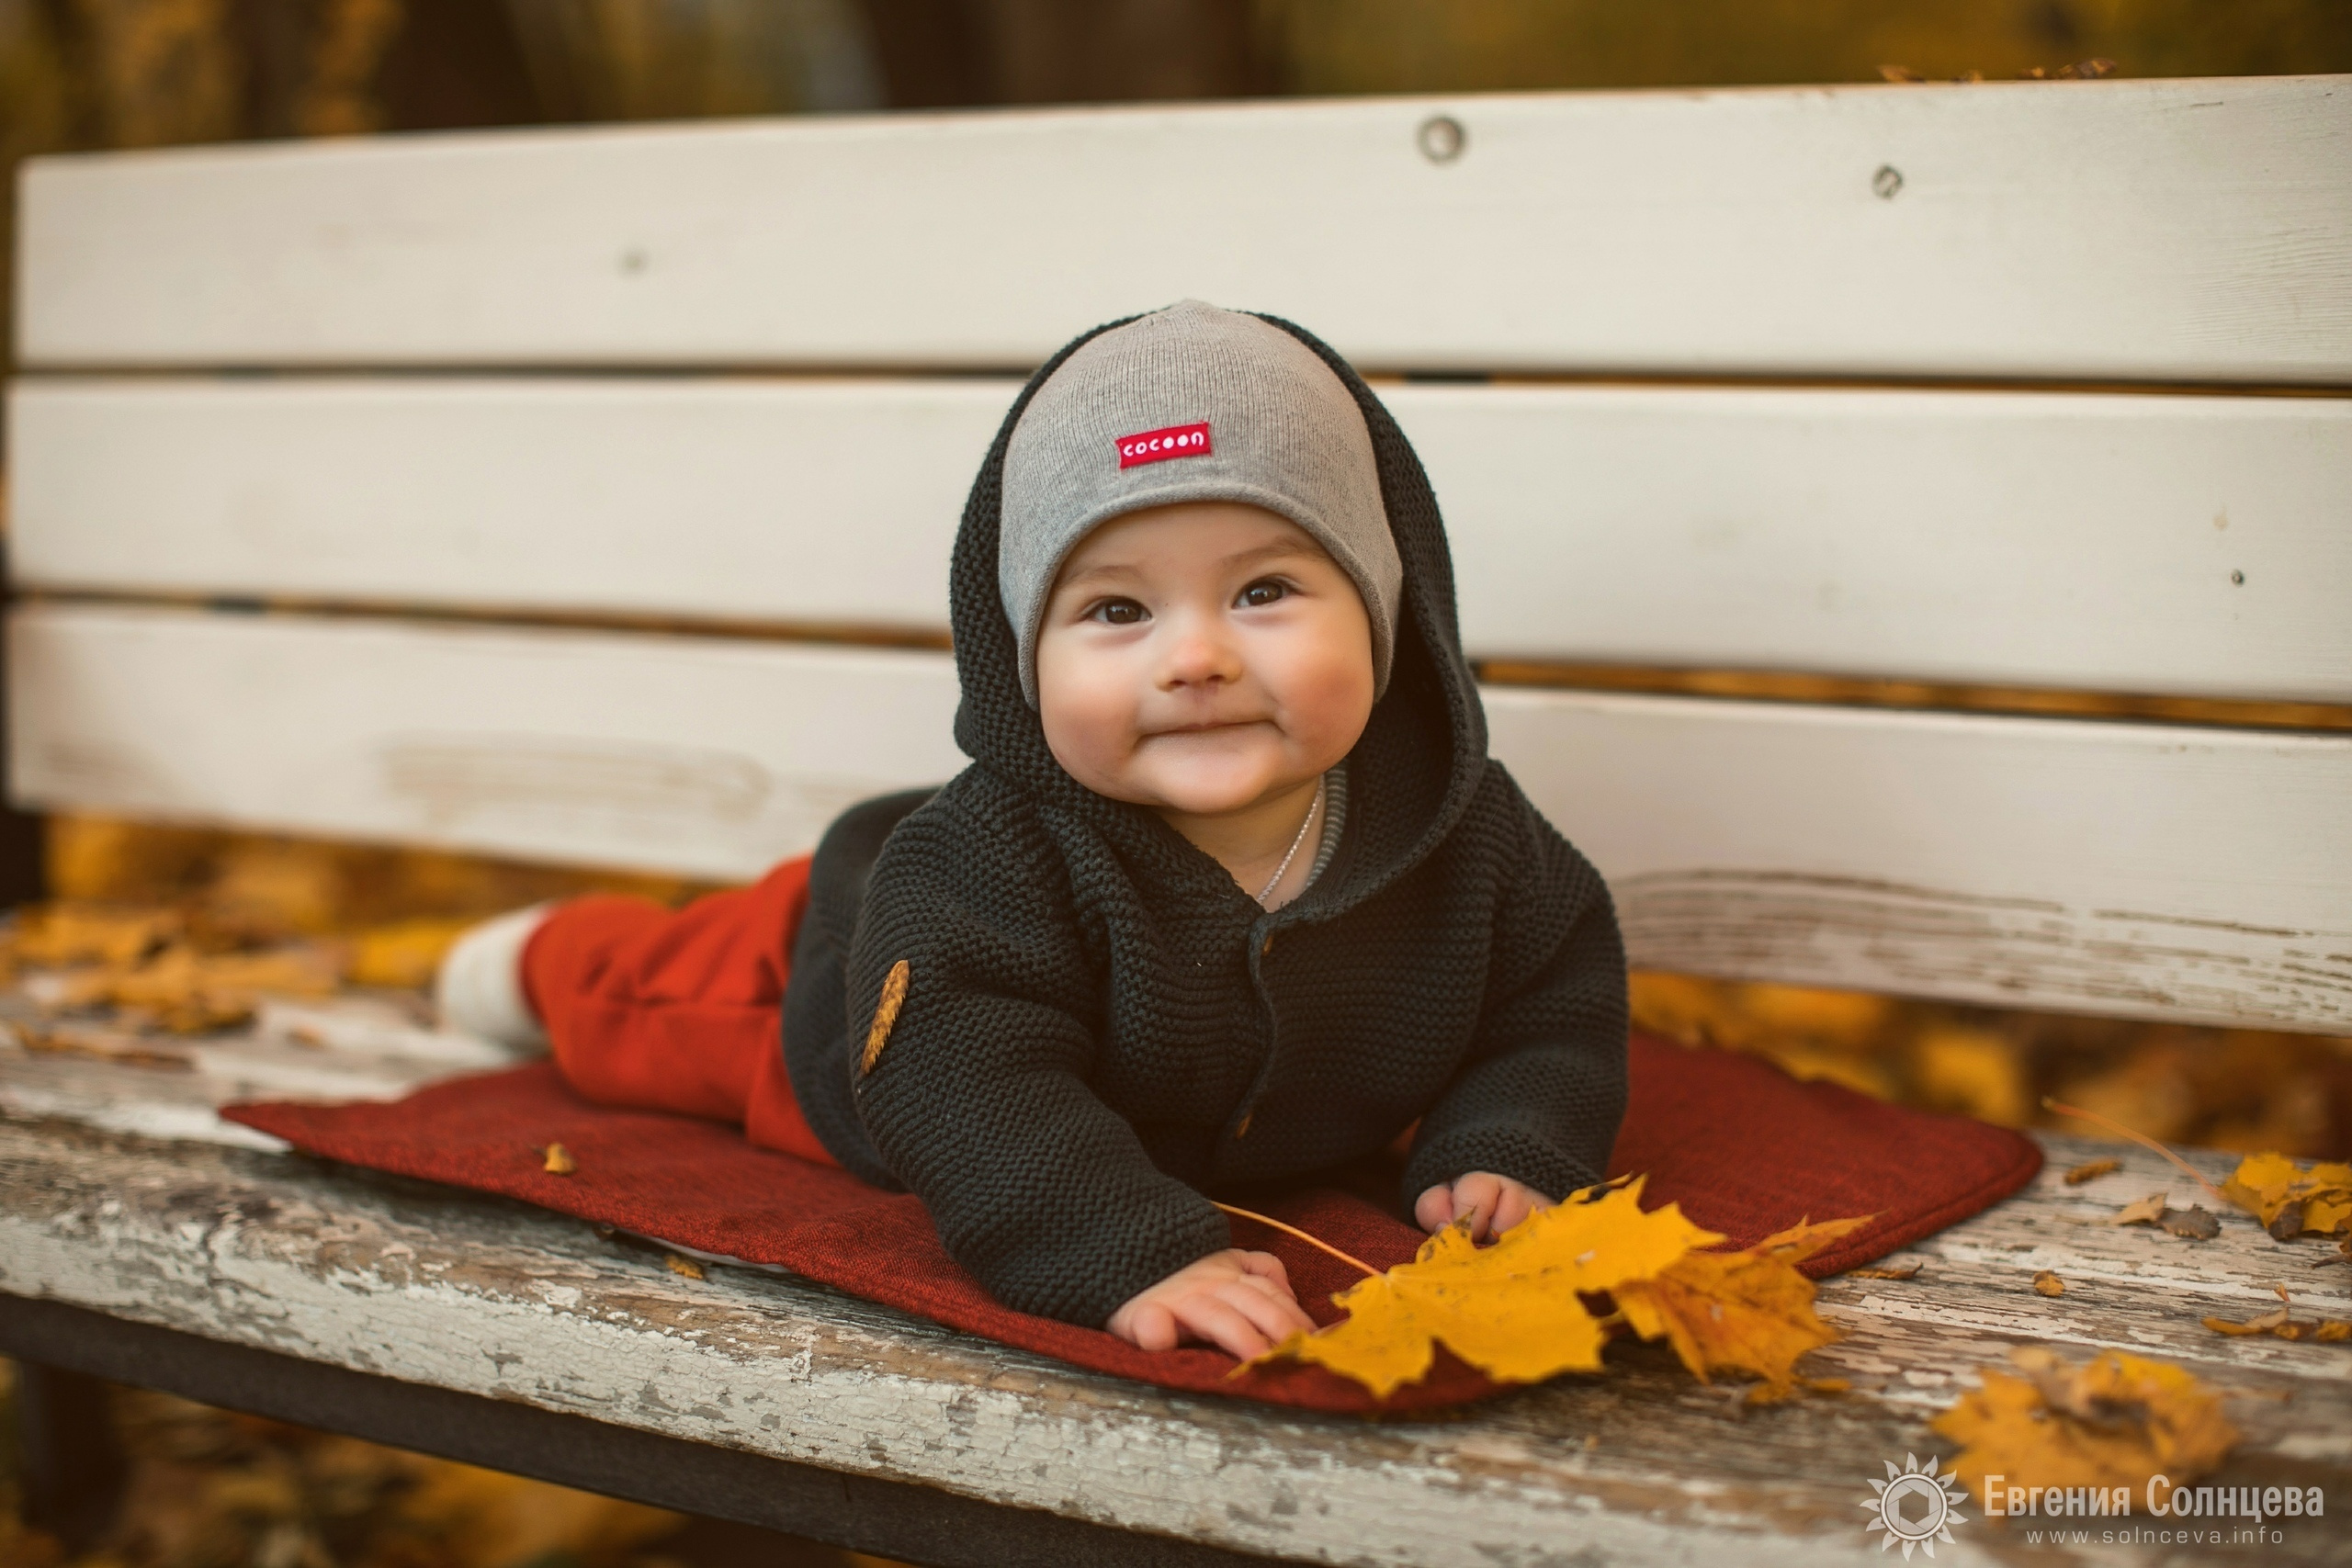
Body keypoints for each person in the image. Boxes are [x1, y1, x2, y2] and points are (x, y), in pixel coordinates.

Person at [435, 300, 1628, 1359]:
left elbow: (1554, 998)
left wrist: (1513, 1138)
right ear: (1024, 658)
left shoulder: (1469, 838)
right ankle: (543, 956)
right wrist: (1121, 1246)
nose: (1198, 658)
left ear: (1384, 611)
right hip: (854, 1012)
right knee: (648, 999)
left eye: (1264, 591)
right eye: (1116, 608)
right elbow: (966, 1082)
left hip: (959, 940)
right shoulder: (994, 863)